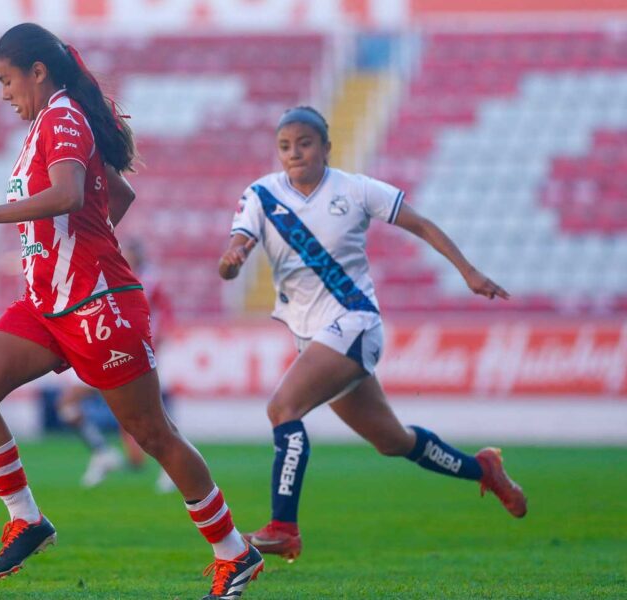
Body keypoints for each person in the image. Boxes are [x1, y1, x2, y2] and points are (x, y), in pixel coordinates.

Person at [0, 23, 262, 599]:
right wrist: (76, 249)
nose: (3, 92)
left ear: (38, 71)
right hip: (48, 304)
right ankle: (26, 518)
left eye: (7, 80)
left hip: (97, 305)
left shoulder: (60, 118)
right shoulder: (47, 124)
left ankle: (235, 552)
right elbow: (117, 196)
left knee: (152, 434)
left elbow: (70, 196)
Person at [219, 106, 527, 563]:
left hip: (356, 323)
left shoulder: (356, 189)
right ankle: (483, 469)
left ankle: (284, 526)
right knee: (392, 441)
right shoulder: (262, 195)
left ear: (326, 146)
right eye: (285, 146)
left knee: (283, 408)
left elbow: (419, 223)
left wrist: (469, 271)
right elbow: (239, 241)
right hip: (316, 337)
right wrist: (234, 256)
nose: (294, 153)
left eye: (304, 143)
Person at [54, 239, 176, 491]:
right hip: (103, 349)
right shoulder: (109, 275)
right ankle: (102, 453)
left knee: (146, 417)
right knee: (68, 402)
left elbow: (166, 317)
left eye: (129, 254)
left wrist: (152, 344)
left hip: (133, 353)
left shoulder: (150, 282)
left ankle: (172, 467)